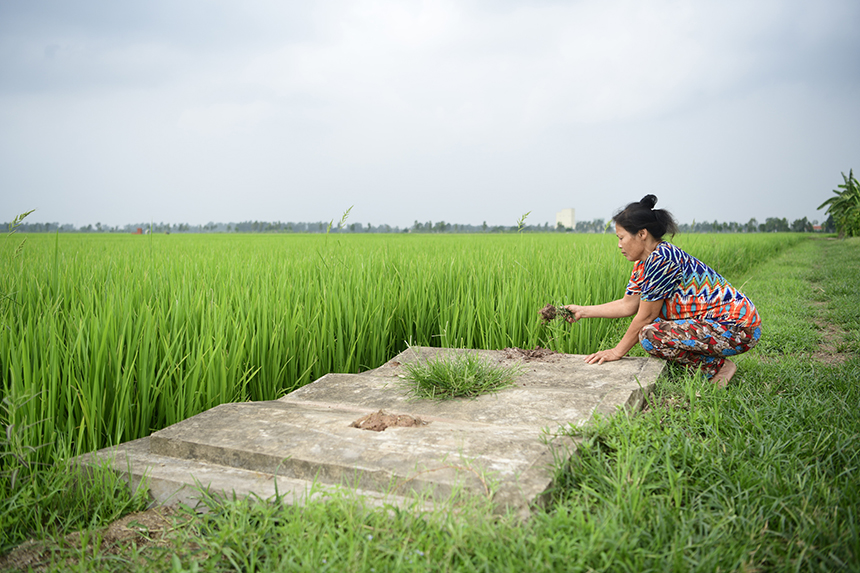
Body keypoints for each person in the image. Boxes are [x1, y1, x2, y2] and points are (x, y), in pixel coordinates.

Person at [561, 195, 761, 386]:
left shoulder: (662, 259)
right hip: (716, 324)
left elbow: (646, 316)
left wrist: (616, 351)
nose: (619, 245)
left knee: (650, 334)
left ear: (642, 234)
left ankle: (718, 367)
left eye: (621, 238)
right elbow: (628, 305)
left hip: (739, 327)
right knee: (655, 327)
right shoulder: (644, 262)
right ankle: (710, 363)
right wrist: (582, 311)